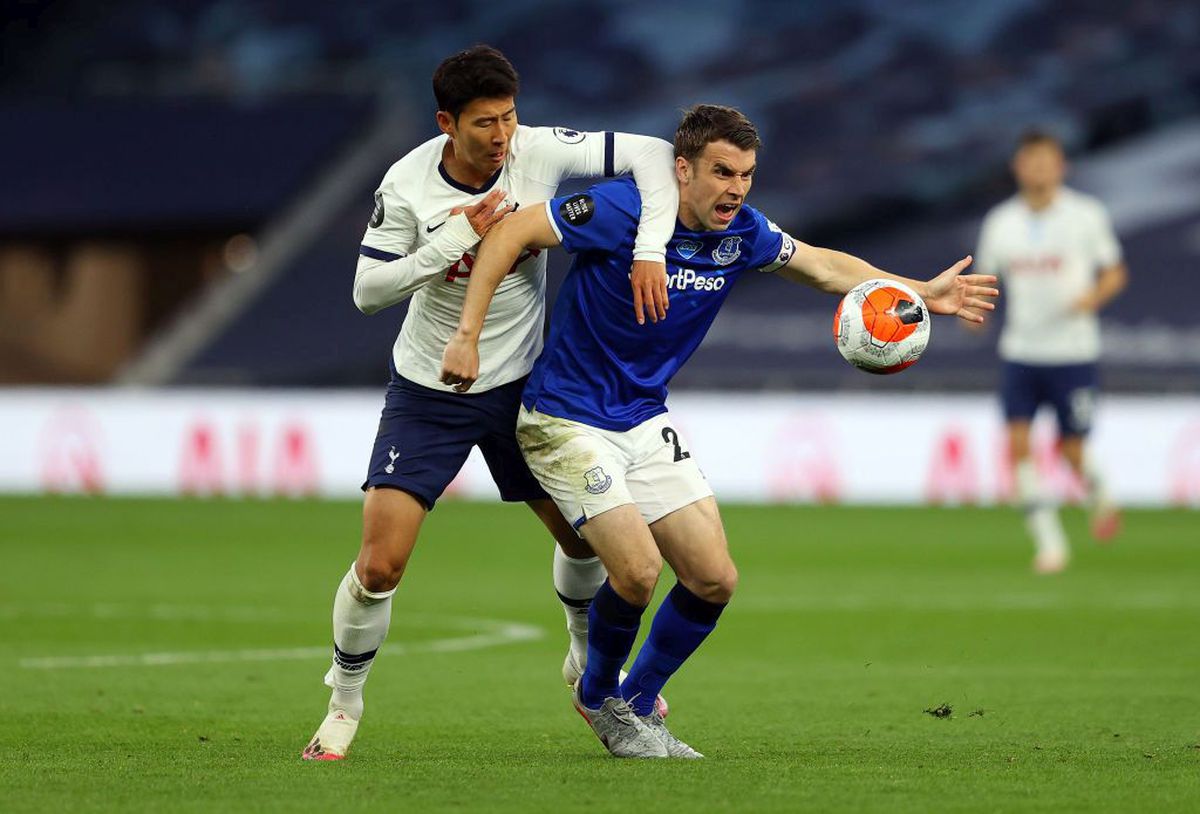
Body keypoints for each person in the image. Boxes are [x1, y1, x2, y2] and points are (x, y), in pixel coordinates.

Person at [440, 104, 999, 758]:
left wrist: (921, 293)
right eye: (722, 172)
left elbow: (822, 267)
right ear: (682, 169)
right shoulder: (624, 209)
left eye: (748, 175)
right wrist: (467, 335)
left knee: (713, 579)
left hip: (642, 418)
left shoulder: (743, 235)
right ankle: (598, 698)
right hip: (563, 417)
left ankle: (639, 702)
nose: (736, 188)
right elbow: (511, 235)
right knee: (639, 572)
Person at [302, 45, 678, 761]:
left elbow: (658, 154)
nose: (502, 136)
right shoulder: (409, 184)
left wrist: (650, 248)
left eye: (509, 117)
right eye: (484, 124)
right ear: (447, 122)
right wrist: (453, 238)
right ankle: (344, 701)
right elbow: (367, 292)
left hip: (528, 389)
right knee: (381, 565)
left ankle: (580, 654)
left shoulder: (537, 151)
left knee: (582, 537)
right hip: (429, 391)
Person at [974, 130, 1127, 575]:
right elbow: (987, 281)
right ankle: (1050, 544)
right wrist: (971, 314)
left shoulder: (1085, 215)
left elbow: (1115, 272)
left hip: (1073, 351)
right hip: (1021, 350)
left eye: (1047, 160)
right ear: (1017, 167)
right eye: (1030, 160)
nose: (1039, 168)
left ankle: (1100, 493)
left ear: (1062, 166)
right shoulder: (1000, 221)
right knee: (1019, 445)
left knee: (1071, 450)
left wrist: (1092, 298)